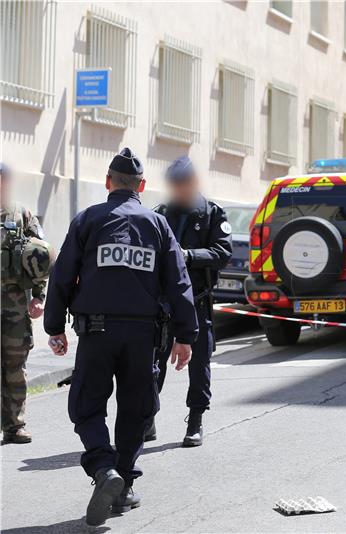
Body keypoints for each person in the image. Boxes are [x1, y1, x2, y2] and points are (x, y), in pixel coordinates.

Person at [43, 148, 198, 527]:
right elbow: (179, 283)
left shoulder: (88, 220)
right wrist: (185, 335)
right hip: (144, 337)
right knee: (136, 409)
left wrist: (54, 327)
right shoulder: (158, 226)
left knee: (87, 405)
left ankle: (103, 469)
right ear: (142, 186)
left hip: (96, 332)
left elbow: (62, 275)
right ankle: (124, 481)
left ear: (108, 182)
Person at [148, 156, 231, 447]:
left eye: (183, 183)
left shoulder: (211, 214)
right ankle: (149, 418)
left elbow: (223, 252)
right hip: (164, 303)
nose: (179, 189)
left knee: (199, 364)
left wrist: (189, 256)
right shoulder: (161, 213)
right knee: (153, 362)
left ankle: (195, 420)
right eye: (175, 184)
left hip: (196, 301)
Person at [0, 163, 54, 444]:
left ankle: (15, 426)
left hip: (15, 304)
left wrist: (39, 296)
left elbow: (40, 257)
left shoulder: (22, 214)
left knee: (15, 365)